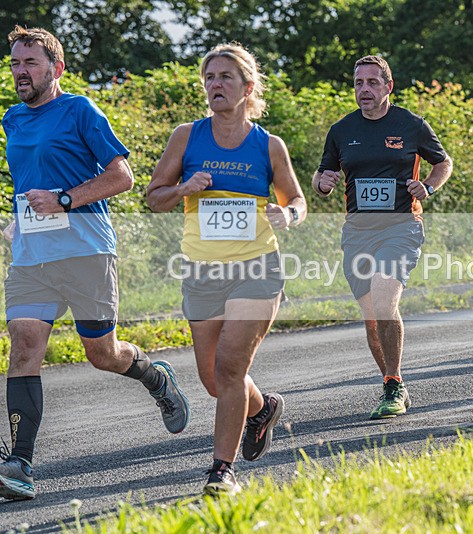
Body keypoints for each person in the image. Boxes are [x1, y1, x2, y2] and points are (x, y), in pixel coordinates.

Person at [0, 26, 190, 501]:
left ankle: (153, 374)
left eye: (31, 64)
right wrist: (18, 221)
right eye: (15, 64)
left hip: (86, 251)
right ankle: (20, 463)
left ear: (56, 69)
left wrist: (64, 200)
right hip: (31, 257)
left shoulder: (81, 110)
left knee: (101, 354)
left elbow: (122, 176)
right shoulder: (12, 119)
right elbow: (28, 181)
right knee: (24, 344)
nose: (21, 72)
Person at [147, 43, 306, 496]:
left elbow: (297, 199)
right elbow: (153, 199)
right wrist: (183, 188)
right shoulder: (187, 136)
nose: (216, 84)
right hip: (202, 271)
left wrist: (288, 215)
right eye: (210, 78)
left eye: (225, 77)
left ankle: (222, 471)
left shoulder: (268, 145)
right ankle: (260, 410)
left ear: (247, 87)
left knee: (231, 366)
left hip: (257, 267)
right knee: (214, 378)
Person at [312, 55, 452, 420]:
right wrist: (321, 183)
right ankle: (394, 381)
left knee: (385, 296)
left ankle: (393, 386)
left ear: (388, 86)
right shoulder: (342, 130)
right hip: (357, 233)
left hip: (401, 227)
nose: (364, 90)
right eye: (359, 83)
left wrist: (428, 187)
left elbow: (443, 162)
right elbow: (322, 173)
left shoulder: (410, 124)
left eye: (372, 83)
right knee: (372, 316)